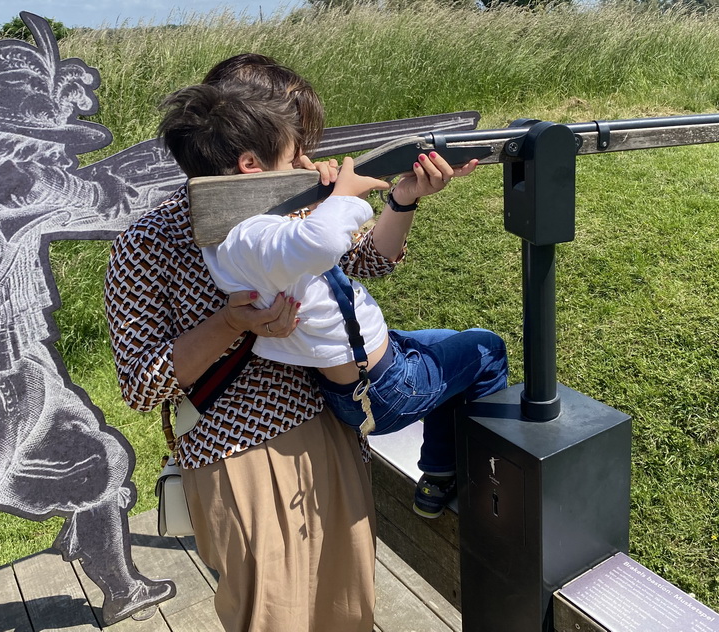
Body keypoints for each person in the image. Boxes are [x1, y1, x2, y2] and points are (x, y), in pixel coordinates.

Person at [104, 54, 481, 632]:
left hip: (330, 421)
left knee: (345, 610)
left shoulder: (292, 199)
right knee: (270, 620)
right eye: (296, 143)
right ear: (242, 145)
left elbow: (369, 260)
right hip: (237, 449)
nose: (308, 159)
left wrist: (401, 201)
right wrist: (234, 325)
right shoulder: (147, 241)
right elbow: (139, 383)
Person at [176, 81, 510, 518]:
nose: (308, 163)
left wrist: (400, 196)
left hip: (361, 375)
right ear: (250, 164)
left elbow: (343, 252)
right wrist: (343, 197)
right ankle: (489, 486)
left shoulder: (233, 234)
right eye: (294, 153)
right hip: (384, 389)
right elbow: (321, 241)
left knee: (449, 340)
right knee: (487, 349)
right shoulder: (252, 235)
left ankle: (438, 472)